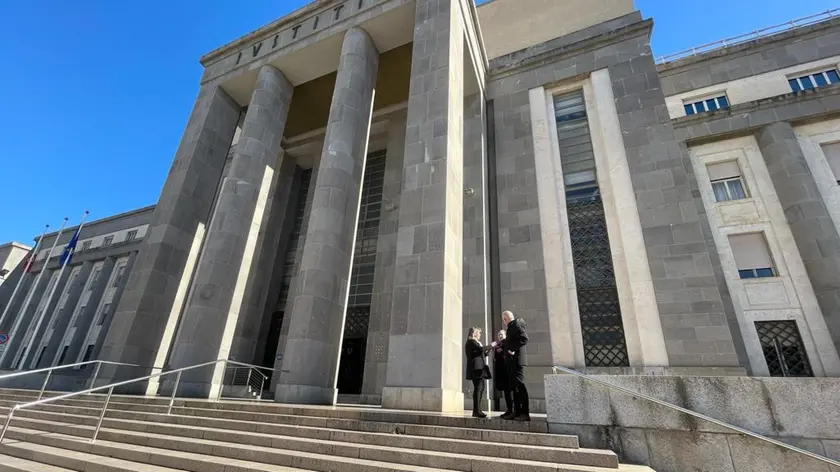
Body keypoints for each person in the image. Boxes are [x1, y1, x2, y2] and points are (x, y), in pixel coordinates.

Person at [502, 310, 530, 421]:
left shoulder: (516, 325)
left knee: (520, 387)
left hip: (517, 362)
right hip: (512, 363)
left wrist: (511, 349)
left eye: (503, 319)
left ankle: (524, 413)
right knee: (515, 388)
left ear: (505, 319)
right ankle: (517, 412)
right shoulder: (511, 326)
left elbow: (524, 339)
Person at [464, 326, 494, 418]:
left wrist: (489, 350)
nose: (480, 334)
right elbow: (480, 350)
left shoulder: (476, 343)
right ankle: (476, 410)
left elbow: (482, 354)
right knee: (478, 388)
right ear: (474, 333)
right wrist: (491, 345)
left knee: (481, 388)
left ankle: (478, 410)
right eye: (478, 332)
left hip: (480, 369)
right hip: (475, 369)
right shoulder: (471, 342)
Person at [493, 330, 514, 418]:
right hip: (500, 370)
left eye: (501, 334)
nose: (500, 336)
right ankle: (509, 410)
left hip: (506, 370)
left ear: (505, 335)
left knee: (509, 391)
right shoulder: (498, 344)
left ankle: (511, 410)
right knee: (506, 391)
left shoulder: (506, 343)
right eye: (498, 335)